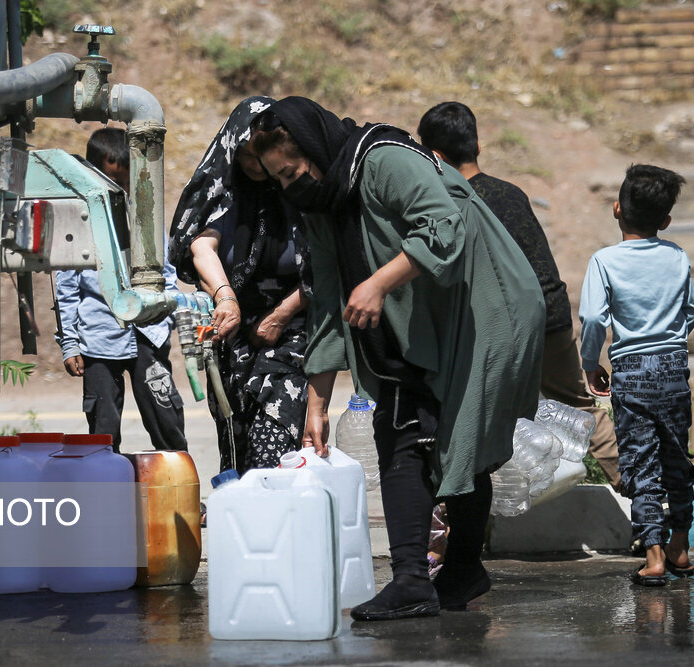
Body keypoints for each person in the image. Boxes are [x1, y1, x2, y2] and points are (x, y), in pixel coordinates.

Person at [249, 97, 545, 621]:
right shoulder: (324, 199)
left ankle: (416, 578)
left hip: (487, 307)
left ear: (314, 149)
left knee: (427, 436)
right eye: (278, 179)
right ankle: (456, 573)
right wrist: (316, 401)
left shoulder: (384, 159)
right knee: (419, 431)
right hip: (429, 319)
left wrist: (379, 282)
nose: (289, 185)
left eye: (292, 171)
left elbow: (446, 227)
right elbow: (327, 297)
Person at [417, 101, 622, 492]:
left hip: (507, 325)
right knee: (580, 408)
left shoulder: (454, 201)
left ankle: (459, 514)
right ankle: (645, 498)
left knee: (470, 415)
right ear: (477, 144)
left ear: (435, 156)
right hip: (553, 315)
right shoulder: (510, 193)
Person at [168, 97, 312, 473]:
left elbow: (324, 268)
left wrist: (282, 314)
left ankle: (274, 520)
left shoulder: (300, 190)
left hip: (292, 331)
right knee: (237, 445)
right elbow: (201, 245)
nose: (258, 166)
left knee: (274, 444)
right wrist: (225, 297)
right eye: (248, 156)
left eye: (264, 156)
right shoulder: (224, 193)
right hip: (232, 333)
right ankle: (245, 523)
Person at [579, 164, 694, 587]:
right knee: (677, 459)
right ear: (665, 221)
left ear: (617, 209)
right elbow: (692, 312)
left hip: (630, 372)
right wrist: (668, 340)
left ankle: (653, 556)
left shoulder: (605, 260)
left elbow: (594, 317)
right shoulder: (677, 256)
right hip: (672, 368)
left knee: (641, 462)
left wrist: (591, 362)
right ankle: (680, 546)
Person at [55, 127, 187, 454]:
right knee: (102, 430)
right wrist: (70, 344)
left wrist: (165, 317)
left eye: (126, 181)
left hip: (149, 335)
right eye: (113, 180)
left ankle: (179, 495)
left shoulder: (146, 215)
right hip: (99, 339)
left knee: (166, 419)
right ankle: (107, 497)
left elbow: (165, 272)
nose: (121, 189)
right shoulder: (78, 223)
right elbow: (66, 289)